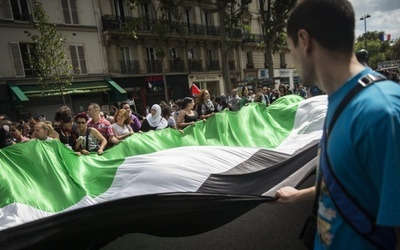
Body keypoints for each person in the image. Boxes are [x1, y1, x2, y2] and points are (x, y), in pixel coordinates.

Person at [274, 1, 400, 249]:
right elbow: (354, 180)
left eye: (290, 49)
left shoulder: (381, 112)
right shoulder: (341, 98)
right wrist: (299, 195)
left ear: (304, 40)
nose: (292, 60)